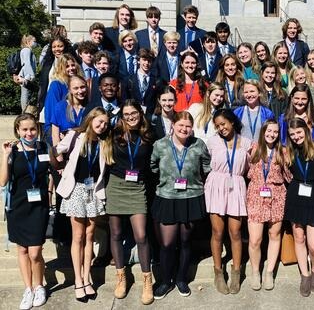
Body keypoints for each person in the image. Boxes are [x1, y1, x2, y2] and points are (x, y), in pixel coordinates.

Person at [53, 107, 113, 302]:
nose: (102, 126)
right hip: (76, 189)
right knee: (78, 236)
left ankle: (87, 278)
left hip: (93, 191)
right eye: (99, 121)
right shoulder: (75, 136)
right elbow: (54, 150)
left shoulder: (104, 142)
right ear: (91, 118)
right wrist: (59, 167)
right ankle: (78, 280)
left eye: (105, 123)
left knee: (89, 235)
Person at [150, 111, 212, 299]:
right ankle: (165, 281)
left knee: (186, 241)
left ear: (192, 128)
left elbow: (206, 166)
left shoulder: (198, 144)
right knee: (167, 243)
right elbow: (153, 166)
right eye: (180, 125)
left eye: (188, 126)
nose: (184, 129)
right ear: (173, 126)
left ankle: (181, 279)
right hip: (167, 197)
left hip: (191, 197)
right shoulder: (160, 145)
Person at [106, 100, 155, 305]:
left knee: (141, 235)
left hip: (138, 188)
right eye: (126, 114)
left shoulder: (149, 134)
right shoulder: (114, 133)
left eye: (133, 113)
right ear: (122, 116)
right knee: (116, 233)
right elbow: (90, 129)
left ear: (140, 113)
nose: (130, 117)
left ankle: (147, 279)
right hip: (116, 185)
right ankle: (121, 276)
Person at [0, 114, 51, 309]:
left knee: (35, 252)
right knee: (22, 249)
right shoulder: (12, 150)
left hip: (38, 206)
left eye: (32, 129)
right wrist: (5, 156)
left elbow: (50, 172)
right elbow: (3, 181)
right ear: (17, 131)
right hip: (18, 205)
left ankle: (39, 286)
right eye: (25, 130)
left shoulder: (44, 147)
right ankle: (28, 288)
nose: (29, 133)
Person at [205, 109, 252, 295]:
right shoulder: (212, 142)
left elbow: (250, 167)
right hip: (216, 185)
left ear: (232, 122)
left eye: (223, 124)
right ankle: (218, 272)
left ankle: (236, 272)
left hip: (237, 186)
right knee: (217, 231)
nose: (221, 128)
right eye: (217, 126)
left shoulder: (247, 143)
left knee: (236, 231)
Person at [284, 118, 314, 297]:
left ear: (306, 130)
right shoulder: (290, 152)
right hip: (297, 195)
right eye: (292, 134)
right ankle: (305, 274)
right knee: (299, 237)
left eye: (299, 132)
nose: (296, 137)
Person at [246, 120, 292, 291]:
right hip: (256, 194)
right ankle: (255, 272)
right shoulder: (254, 148)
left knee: (274, 234)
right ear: (263, 131)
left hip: (277, 195)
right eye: (269, 131)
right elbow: (247, 170)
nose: (272, 134)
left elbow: (288, 177)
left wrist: (287, 162)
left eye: (275, 132)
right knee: (255, 239)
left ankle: (269, 272)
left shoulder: (283, 151)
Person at [42, 54, 83, 144]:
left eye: (73, 65)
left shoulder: (80, 85)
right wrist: (58, 132)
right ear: (61, 68)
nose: (71, 68)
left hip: (75, 128)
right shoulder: (56, 85)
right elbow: (51, 111)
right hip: (56, 128)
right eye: (67, 66)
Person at [37, 36, 75, 120]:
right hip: (48, 103)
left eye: (60, 46)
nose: (57, 49)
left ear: (65, 47)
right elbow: (42, 85)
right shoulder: (48, 64)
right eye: (54, 47)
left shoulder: (71, 63)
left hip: (66, 104)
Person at [50, 75, 88, 146]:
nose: (80, 91)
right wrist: (59, 156)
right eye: (76, 88)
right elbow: (55, 136)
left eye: (82, 87)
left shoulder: (90, 107)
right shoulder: (60, 107)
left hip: (85, 151)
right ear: (70, 90)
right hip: (64, 151)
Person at [125, 48, 158, 115]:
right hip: (133, 114)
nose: (147, 63)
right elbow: (125, 100)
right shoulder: (129, 80)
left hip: (150, 115)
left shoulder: (157, 80)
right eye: (144, 60)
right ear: (138, 61)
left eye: (149, 61)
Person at [13, 35, 37, 112]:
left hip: (24, 76)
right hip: (26, 76)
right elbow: (27, 64)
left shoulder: (24, 50)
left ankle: (24, 112)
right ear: (28, 42)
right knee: (26, 95)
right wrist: (31, 75)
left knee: (25, 94)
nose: (35, 43)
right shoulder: (27, 50)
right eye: (34, 41)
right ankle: (24, 112)